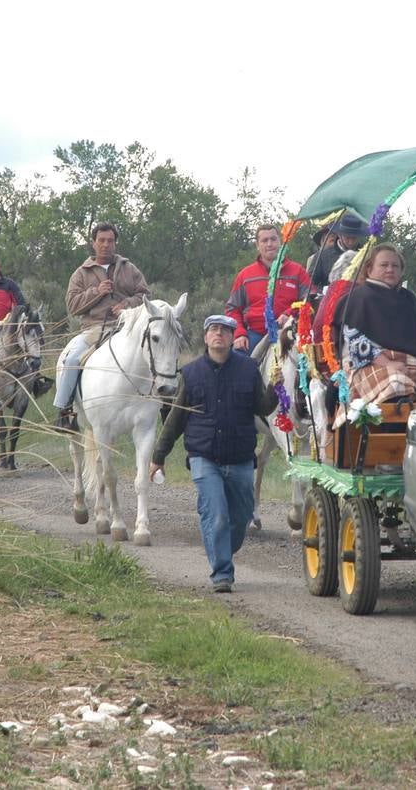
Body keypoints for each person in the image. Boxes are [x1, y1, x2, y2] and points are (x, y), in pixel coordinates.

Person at [149, 314, 277, 592]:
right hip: (203, 456)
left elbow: (263, 408)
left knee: (241, 517)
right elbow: (176, 419)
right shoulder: (191, 373)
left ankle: (219, 546)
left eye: (225, 330)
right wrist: (158, 457)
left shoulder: (248, 369)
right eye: (214, 330)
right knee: (217, 515)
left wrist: (275, 387)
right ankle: (222, 573)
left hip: (241, 456)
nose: (219, 334)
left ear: (232, 338)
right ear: (206, 338)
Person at [54, 222, 150, 429]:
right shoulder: (81, 273)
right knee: (72, 358)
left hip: (127, 327)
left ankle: (160, 403)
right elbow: (72, 306)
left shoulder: (129, 268)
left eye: (110, 241)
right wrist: (97, 292)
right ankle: (64, 410)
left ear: (115, 243)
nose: (106, 244)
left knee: (155, 351)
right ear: (94, 243)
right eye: (102, 241)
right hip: (94, 329)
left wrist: (127, 304)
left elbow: (145, 295)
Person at [340, 243, 416, 405]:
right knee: (396, 382)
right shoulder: (359, 298)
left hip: (407, 362)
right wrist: (389, 364)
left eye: (395, 266)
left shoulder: (409, 299)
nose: (390, 269)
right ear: (369, 270)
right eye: (384, 265)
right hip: (368, 365)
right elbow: (355, 344)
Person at [225, 224, 312, 353]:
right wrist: (240, 334)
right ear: (257, 245)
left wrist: (289, 313)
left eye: (273, 239)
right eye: (264, 240)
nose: (269, 244)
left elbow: (309, 299)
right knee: (236, 363)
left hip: (291, 331)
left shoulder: (298, 271)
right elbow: (232, 309)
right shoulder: (245, 275)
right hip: (256, 333)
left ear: (280, 242)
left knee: (315, 363)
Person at [309, 211, 370, 292]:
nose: (351, 242)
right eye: (347, 237)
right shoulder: (322, 256)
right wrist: (324, 290)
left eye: (354, 237)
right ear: (339, 234)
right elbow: (309, 284)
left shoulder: (366, 256)